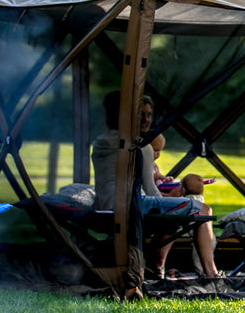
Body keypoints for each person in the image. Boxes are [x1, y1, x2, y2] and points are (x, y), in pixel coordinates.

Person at [92, 91, 222, 285]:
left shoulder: (101, 142)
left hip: (104, 207)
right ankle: (212, 275)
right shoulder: (139, 147)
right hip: (132, 209)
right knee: (202, 209)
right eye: (140, 114)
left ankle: (157, 264)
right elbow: (151, 192)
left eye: (148, 115)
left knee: (173, 211)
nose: (146, 120)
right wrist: (177, 195)